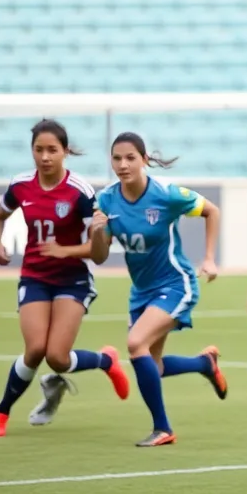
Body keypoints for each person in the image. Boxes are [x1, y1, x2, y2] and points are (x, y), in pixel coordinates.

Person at [0, 120, 130, 437]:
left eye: (52, 150)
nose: (45, 157)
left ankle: (106, 361)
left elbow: (99, 252)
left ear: (65, 152)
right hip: (35, 277)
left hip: (72, 280)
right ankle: (2, 412)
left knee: (57, 358)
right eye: (39, 150)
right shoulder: (20, 185)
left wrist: (84, 241)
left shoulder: (79, 192)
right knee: (35, 349)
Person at [92, 133, 228, 447]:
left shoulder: (166, 195)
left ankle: (163, 428)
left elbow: (212, 211)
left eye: (130, 158)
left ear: (144, 160)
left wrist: (208, 258)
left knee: (135, 343)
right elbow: (99, 256)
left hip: (175, 284)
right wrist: (98, 233)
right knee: (153, 365)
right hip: (141, 291)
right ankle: (204, 364)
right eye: (116, 158)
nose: (123, 165)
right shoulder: (106, 200)